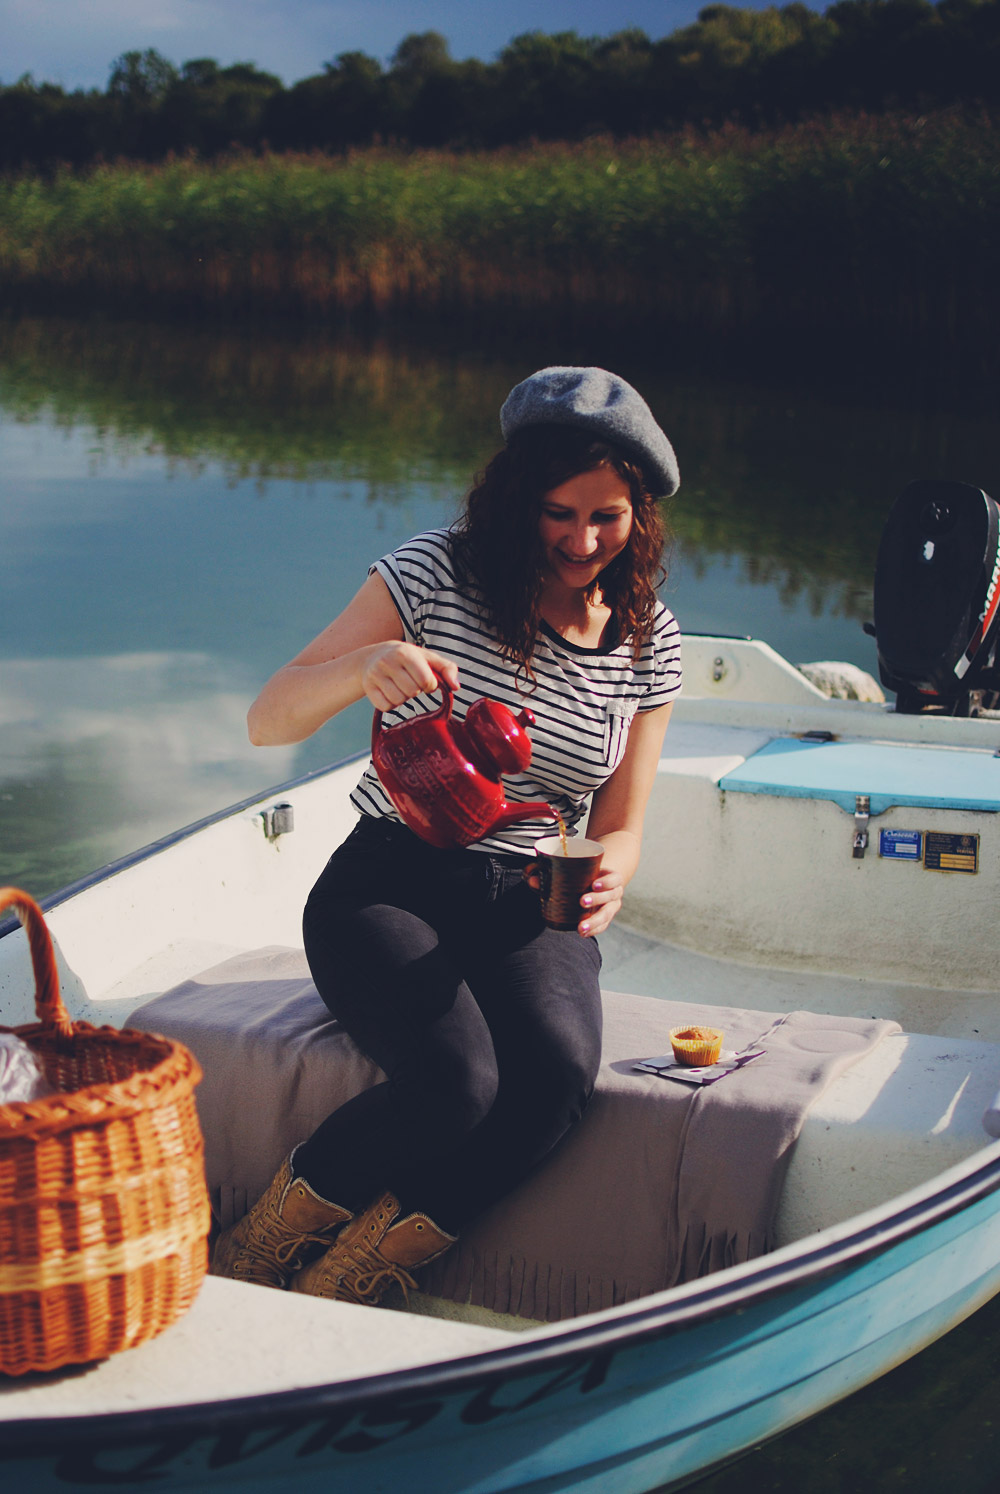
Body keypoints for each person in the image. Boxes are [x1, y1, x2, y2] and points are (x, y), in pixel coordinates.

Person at [212, 365, 683, 1307]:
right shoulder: (434, 573)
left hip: (531, 894)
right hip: (388, 882)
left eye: (609, 518)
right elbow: (269, 720)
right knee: (457, 1082)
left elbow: (622, 823)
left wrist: (611, 878)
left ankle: (357, 1275)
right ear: (514, 497)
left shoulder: (649, 638)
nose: (584, 542)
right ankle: (254, 1251)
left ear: (641, 516)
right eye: (559, 513)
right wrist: (365, 665)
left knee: (551, 1078)